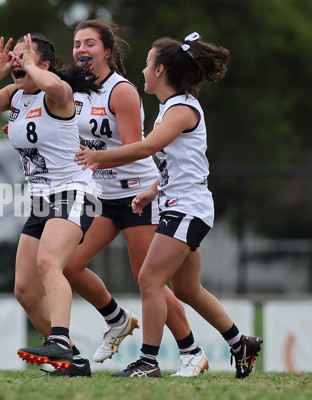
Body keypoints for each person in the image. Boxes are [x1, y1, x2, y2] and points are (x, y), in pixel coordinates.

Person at [76, 32, 262, 379]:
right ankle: (241, 343)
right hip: (180, 204)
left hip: (187, 208)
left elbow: (145, 149)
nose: (143, 71)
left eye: (147, 64)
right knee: (188, 289)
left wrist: (98, 156)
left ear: (160, 70)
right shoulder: (170, 108)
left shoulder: (181, 109)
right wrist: (152, 189)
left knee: (148, 278)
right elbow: (183, 163)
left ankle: (147, 362)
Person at [58, 19, 208, 378]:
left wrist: (96, 157)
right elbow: (71, 137)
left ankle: (191, 350)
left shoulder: (121, 91)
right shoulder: (74, 89)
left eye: (90, 43)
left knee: (150, 280)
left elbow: (134, 150)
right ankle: (118, 320)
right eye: (77, 43)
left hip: (138, 194)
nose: (81, 49)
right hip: (104, 195)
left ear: (107, 52)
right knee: (69, 265)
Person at [0, 33, 100, 373]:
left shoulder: (58, 95)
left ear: (44, 65)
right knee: (24, 290)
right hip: (41, 200)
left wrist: (30, 66)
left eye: (25, 57)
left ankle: (61, 341)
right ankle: (75, 360)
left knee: (49, 262)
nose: (17, 63)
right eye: (15, 58)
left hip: (75, 191)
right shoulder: (15, 96)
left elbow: (56, 87)